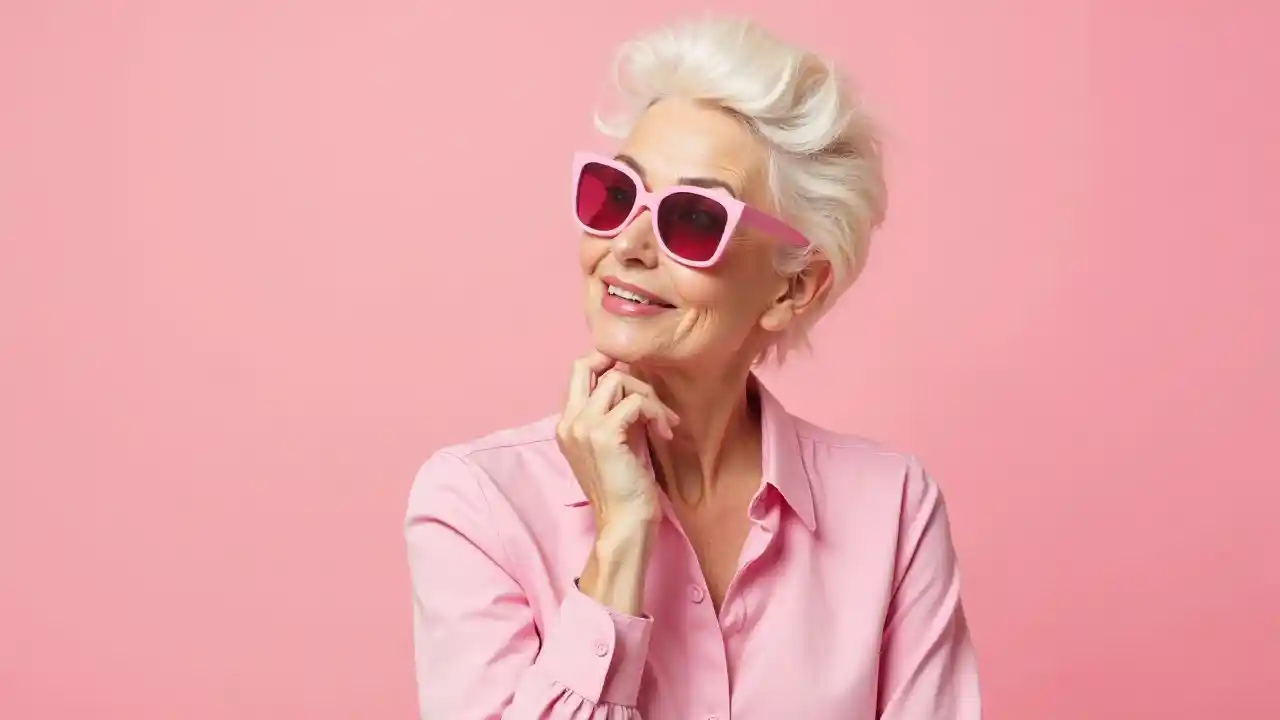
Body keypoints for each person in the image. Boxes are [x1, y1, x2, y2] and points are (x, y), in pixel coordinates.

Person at [404, 16, 981, 719]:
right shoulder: (477, 504)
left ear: (794, 287)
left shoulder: (892, 510)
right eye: (617, 194)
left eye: (695, 219)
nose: (629, 245)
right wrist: (620, 544)